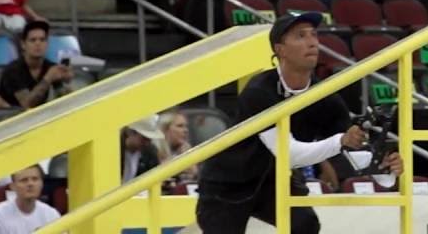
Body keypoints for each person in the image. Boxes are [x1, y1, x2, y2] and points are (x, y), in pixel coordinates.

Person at [196, 13, 402, 234]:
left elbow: (353, 151)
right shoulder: (259, 91)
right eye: (300, 36)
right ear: (280, 49)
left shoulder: (325, 95)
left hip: (275, 180)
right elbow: (289, 153)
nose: (312, 42)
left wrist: (385, 169)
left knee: (305, 225)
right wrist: (341, 141)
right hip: (228, 182)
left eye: (314, 35)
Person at [0, 20, 72, 109]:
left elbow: (64, 97)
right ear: (23, 44)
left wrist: (67, 82)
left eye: (42, 40)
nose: (38, 43)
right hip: (11, 118)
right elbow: (27, 105)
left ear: (47, 44)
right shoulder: (12, 71)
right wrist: (48, 79)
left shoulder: (50, 67)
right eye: (33, 40)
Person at [0, 165, 61, 233]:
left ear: (42, 183)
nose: (30, 184)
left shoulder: (51, 214)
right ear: (12, 186)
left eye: (35, 179)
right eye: (24, 180)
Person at [157, 110, 200, 184]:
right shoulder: (153, 151)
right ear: (165, 129)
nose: (186, 130)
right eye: (180, 126)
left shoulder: (186, 149)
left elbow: (195, 174)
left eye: (186, 126)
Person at [122, 115, 165, 183]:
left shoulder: (150, 153)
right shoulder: (112, 150)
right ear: (129, 132)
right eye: (144, 138)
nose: (147, 143)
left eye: (150, 139)